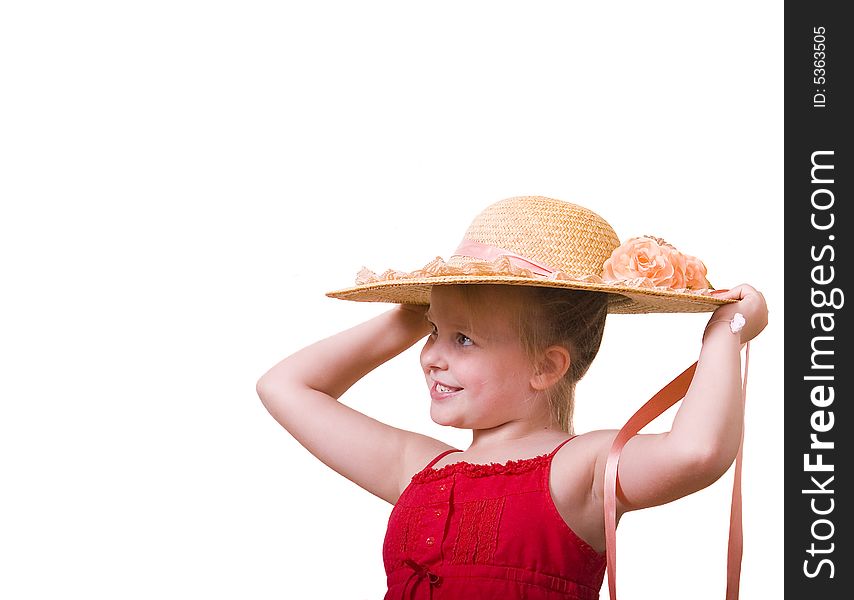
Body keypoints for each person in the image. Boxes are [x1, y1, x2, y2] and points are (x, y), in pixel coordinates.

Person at [255, 196, 768, 599]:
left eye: (463, 339)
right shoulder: (421, 470)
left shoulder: (579, 469)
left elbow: (696, 452)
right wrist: (415, 310)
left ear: (546, 367)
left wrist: (727, 331)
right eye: (433, 331)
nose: (431, 355)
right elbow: (284, 387)